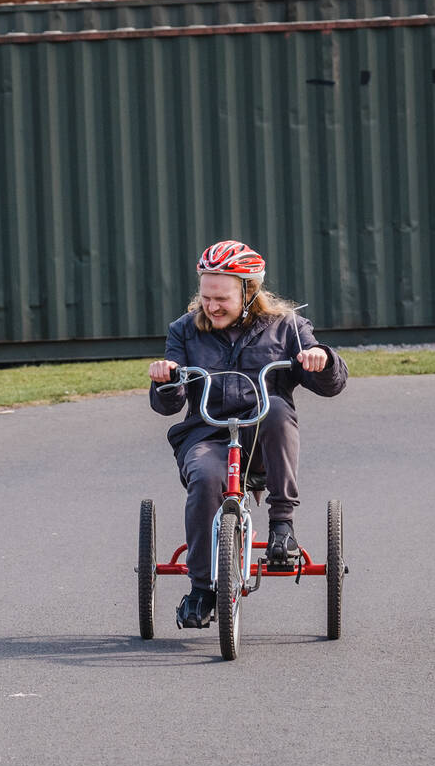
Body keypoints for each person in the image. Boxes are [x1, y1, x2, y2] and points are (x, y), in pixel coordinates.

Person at [148, 240, 347, 629]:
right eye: (206, 297)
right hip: (207, 433)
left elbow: (331, 384)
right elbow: (168, 406)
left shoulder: (286, 326)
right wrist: (165, 380)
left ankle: (282, 528)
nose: (212, 306)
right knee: (205, 478)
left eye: (221, 298)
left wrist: (320, 359)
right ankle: (202, 589)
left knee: (273, 406)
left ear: (249, 291)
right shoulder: (185, 331)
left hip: (264, 438)